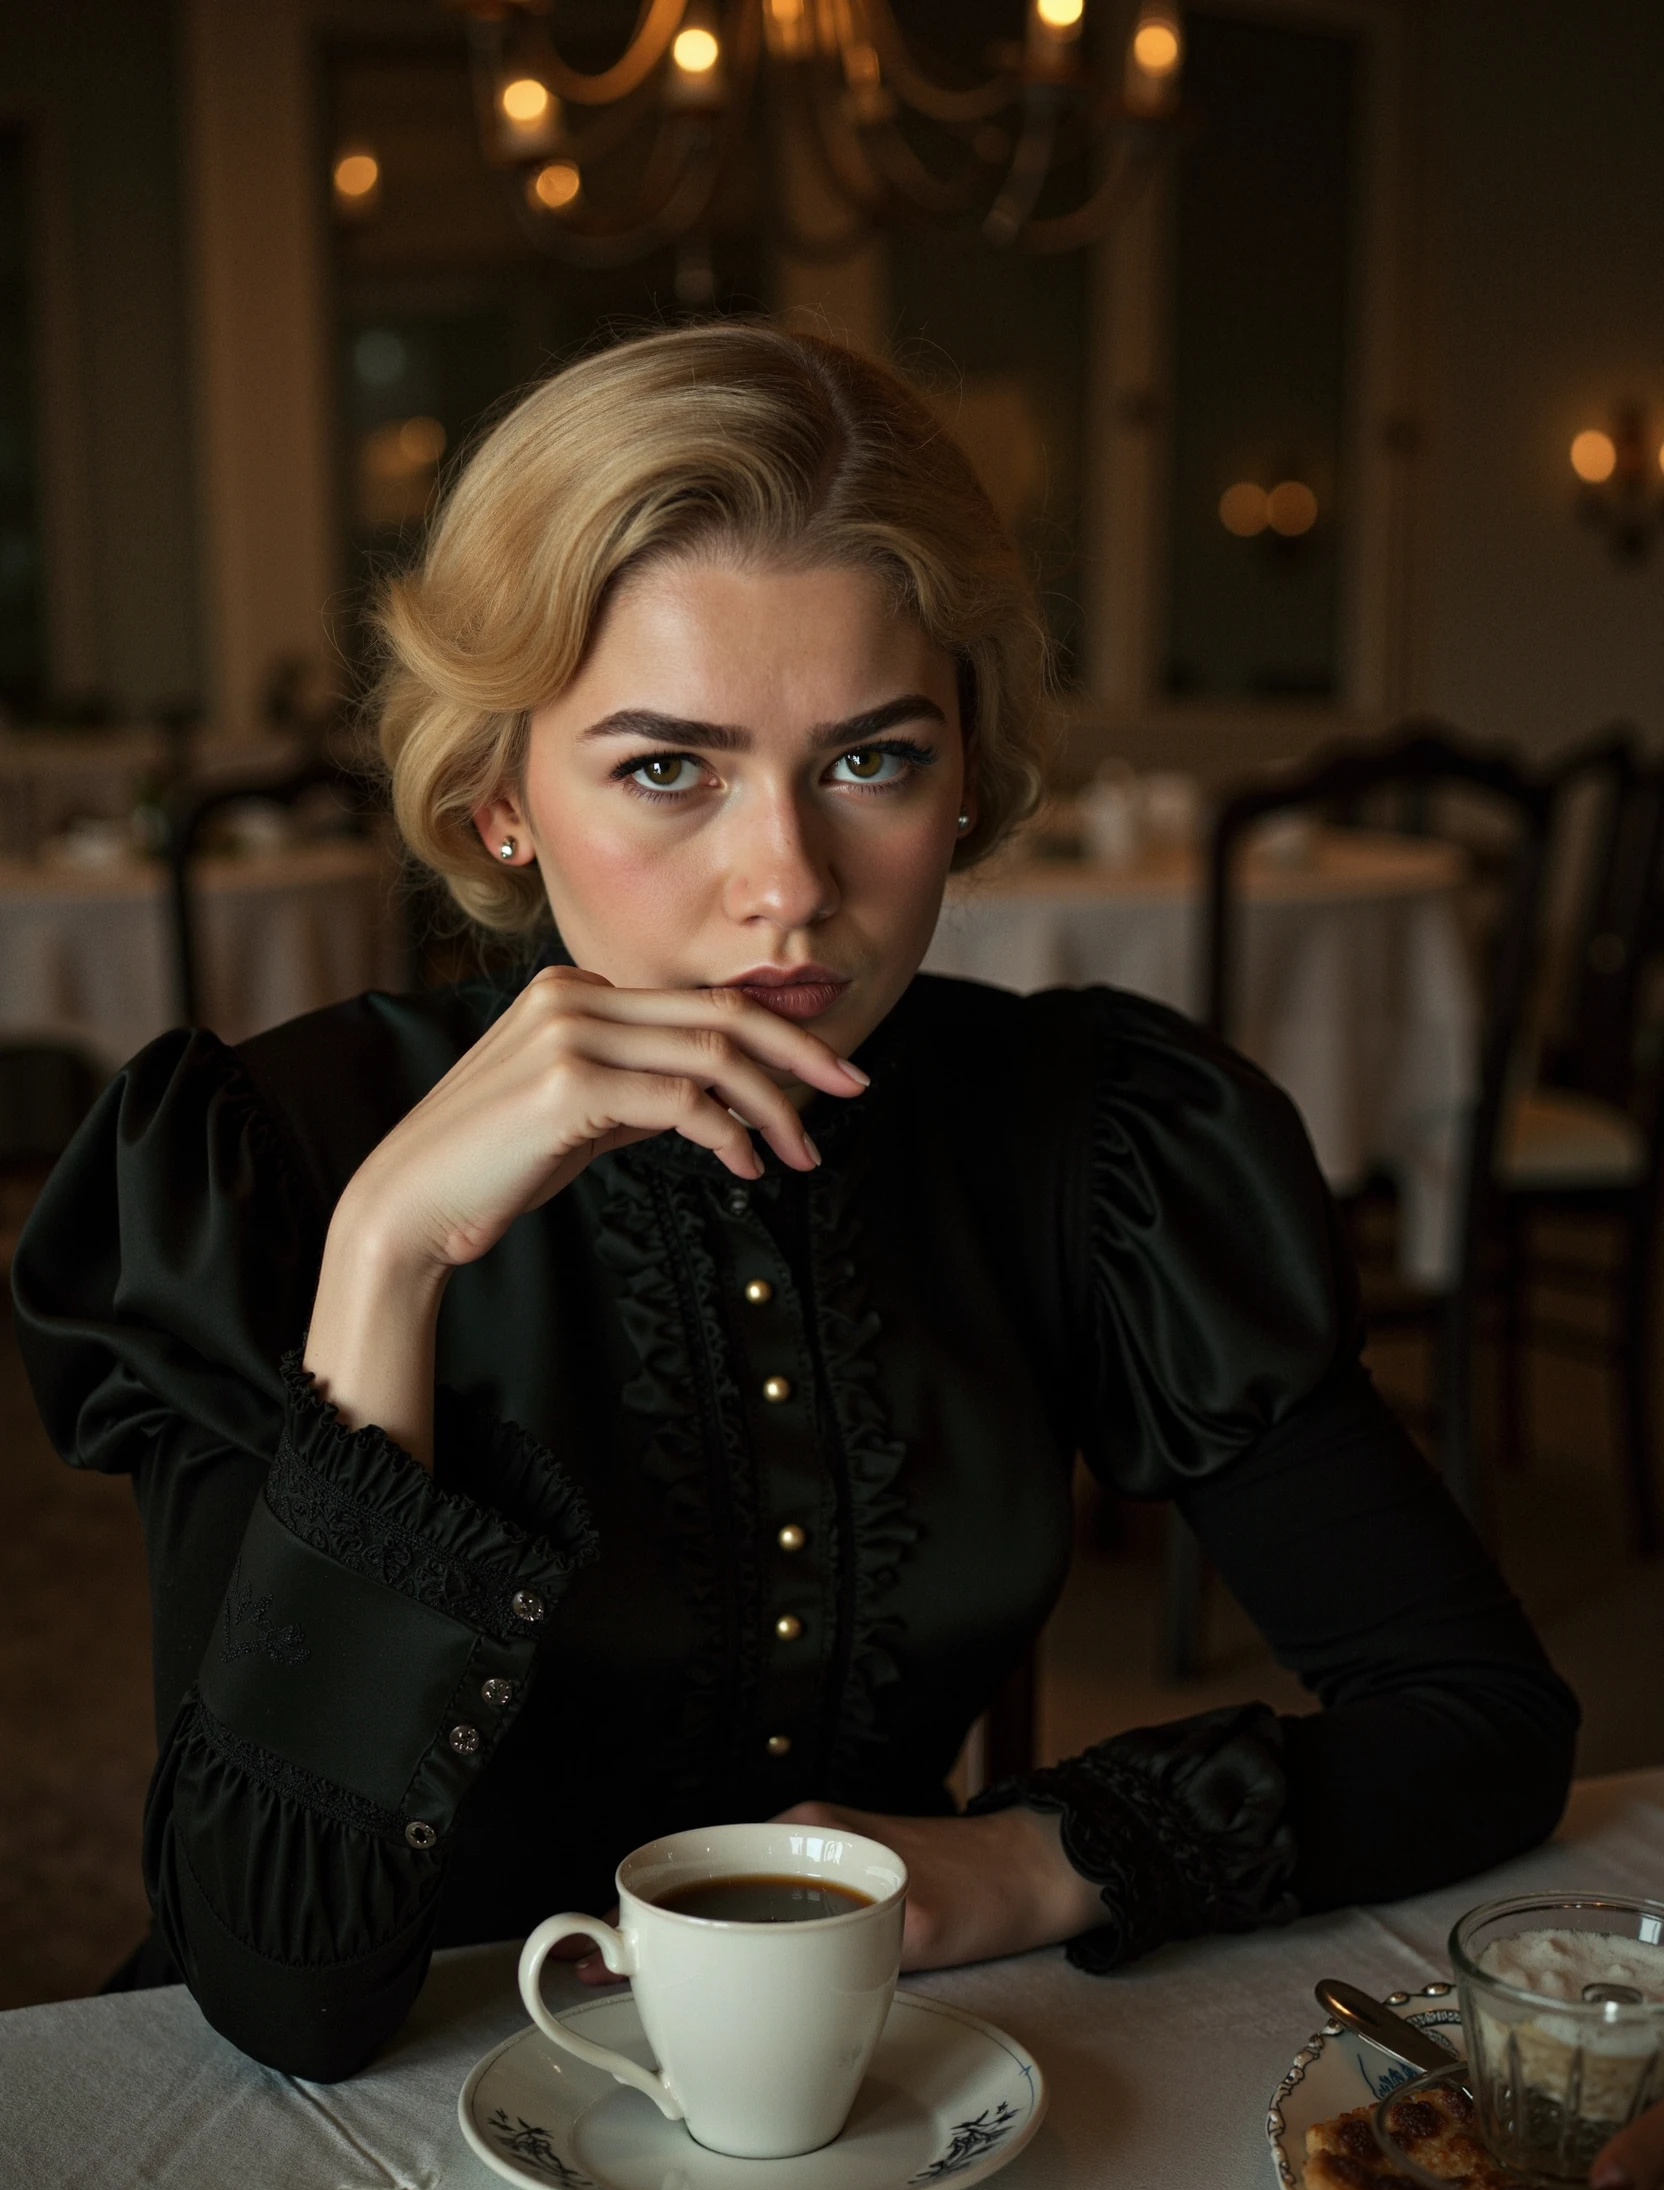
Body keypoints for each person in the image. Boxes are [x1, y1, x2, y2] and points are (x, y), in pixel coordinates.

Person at [13, 324, 1577, 2082]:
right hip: (370, 2151)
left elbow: (1482, 1723)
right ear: (498, 796)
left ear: (967, 769)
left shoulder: (1094, 1139)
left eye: (870, 761)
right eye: (667, 768)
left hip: (879, 2099)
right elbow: (282, 1989)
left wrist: (1028, 1859)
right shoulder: (272, 1161)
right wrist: (388, 1257)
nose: (788, 888)